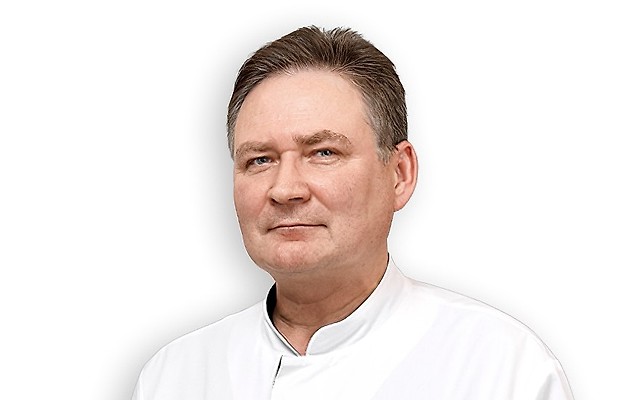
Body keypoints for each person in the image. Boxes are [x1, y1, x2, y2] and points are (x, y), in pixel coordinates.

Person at [132, 26, 574, 399]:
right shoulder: (174, 375)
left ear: (399, 174)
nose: (285, 189)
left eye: (323, 152)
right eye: (260, 160)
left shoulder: (501, 368)